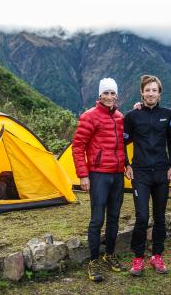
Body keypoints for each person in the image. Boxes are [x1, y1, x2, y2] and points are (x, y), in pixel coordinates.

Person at [72, 77, 127, 282]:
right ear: (100, 95)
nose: (110, 97)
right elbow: (78, 147)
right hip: (98, 174)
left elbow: (122, 145)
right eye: (106, 93)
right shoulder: (89, 117)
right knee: (97, 219)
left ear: (116, 95)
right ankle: (93, 260)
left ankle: (109, 254)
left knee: (114, 217)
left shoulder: (120, 117)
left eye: (113, 93)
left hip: (117, 174)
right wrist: (83, 175)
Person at [124, 75, 171, 276]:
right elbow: (122, 142)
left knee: (160, 217)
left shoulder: (169, 115)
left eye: (154, 90)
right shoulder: (133, 116)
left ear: (159, 93)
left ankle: (157, 255)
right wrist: (125, 164)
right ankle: (138, 258)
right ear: (142, 93)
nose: (151, 93)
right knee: (142, 217)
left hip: (162, 172)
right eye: (148, 90)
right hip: (141, 173)